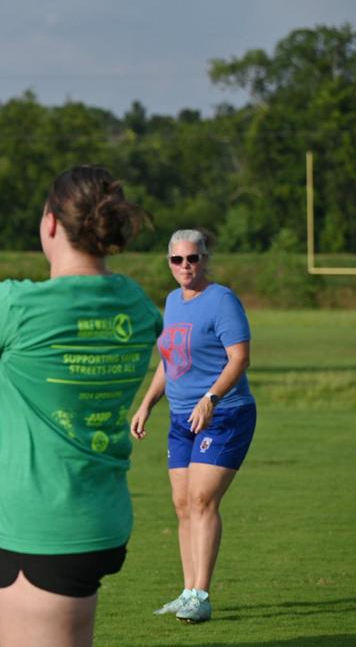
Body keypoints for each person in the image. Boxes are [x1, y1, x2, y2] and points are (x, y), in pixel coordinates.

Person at [0, 165, 162, 647]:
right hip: (59, 509)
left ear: (50, 223)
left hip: (50, 526)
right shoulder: (136, 304)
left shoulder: (16, 306)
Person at [130, 229, 256, 624]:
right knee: (182, 505)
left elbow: (239, 359)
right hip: (181, 419)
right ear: (169, 262)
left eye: (193, 258)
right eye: (177, 260)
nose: (186, 266)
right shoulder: (171, 302)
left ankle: (201, 595)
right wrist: (147, 403)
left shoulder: (222, 300)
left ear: (205, 259)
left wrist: (211, 398)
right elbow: (172, 362)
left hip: (225, 416)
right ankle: (187, 592)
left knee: (202, 500)